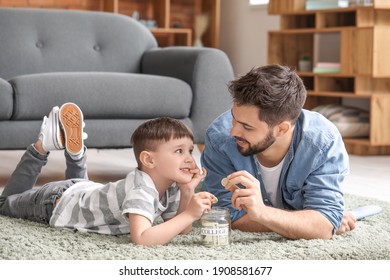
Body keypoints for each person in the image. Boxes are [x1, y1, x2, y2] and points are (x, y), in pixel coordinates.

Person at [0, 103, 216, 246]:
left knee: (85, 197)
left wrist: (188, 192)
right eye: (179, 151)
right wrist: (189, 214)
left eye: (190, 150)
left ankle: (75, 155)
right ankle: (41, 147)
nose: (189, 158)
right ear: (149, 160)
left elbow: (181, 230)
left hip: (84, 191)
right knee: (3, 205)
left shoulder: (171, 186)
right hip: (54, 203)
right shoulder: (142, 190)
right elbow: (141, 238)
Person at [200, 65, 356, 240]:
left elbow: (324, 226)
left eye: (247, 126)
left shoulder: (322, 142)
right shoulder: (219, 138)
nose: (233, 131)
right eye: (234, 118)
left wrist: (261, 213)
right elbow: (228, 217)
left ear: (282, 129)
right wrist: (307, 222)